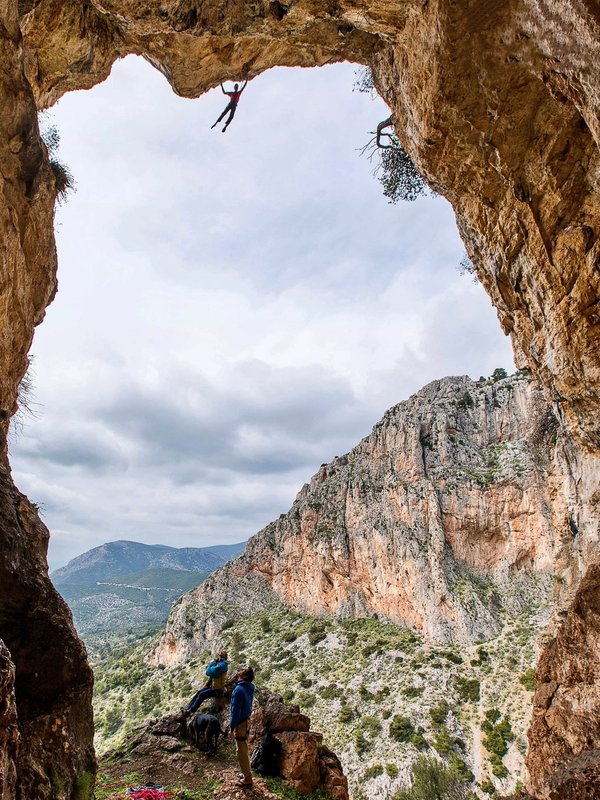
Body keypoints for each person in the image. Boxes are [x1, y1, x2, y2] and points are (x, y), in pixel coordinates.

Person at [229, 666, 256, 788]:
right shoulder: (250, 687)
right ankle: (246, 774)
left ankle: (247, 779)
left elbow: (235, 712)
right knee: (243, 747)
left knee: (241, 751)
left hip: (240, 723)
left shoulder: (239, 690)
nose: (239, 671)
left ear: (244, 676)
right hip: (247, 720)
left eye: (242, 670)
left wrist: (231, 727)